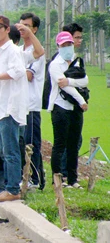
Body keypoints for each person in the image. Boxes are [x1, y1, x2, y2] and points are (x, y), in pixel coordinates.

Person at [0, 15, 29, 202]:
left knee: (10, 151)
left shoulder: (13, 51)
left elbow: (18, 72)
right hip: (1, 107)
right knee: (3, 150)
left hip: (11, 106)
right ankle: (7, 187)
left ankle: (12, 189)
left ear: (7, 30)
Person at [48, 31, 88, 189]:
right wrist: (81, 100)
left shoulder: (76, 62)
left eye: (69, 44)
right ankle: (57, 179)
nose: (67, 47)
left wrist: (70, 80)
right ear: (58, 46)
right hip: (60, 107)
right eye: (63, 45)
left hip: (75, 109)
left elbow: (84, 80)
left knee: (73, 143)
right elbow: (62, 86)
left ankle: (73, 179)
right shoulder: (55, 65)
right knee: (60, 144)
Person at [19, 13, 46, 189]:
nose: (22, 29)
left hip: (31, 105)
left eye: (27, 26)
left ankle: (36, 180)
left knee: (32, 143)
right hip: (20, 104)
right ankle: (30, 177)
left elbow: (28, 75)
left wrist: (12, 71)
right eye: (21, 25)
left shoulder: (37, 53)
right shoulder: (19, 50)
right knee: (22, 143)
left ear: (34, 29)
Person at [59, 22, 84, 178]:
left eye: (80, 38)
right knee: (67, 141)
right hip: (63, 106)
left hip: (76, 106)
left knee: (75, 140)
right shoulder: (59, 61)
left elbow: (84, 80)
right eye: (76, 38)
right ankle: (63, 172)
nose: (79, 41)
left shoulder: (78, 59)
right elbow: (62, 83)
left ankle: (68, 172)